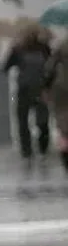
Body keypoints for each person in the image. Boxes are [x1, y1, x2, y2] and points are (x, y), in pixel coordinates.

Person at [3, 25, 52, 165]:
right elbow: (5, 67)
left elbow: (51, 67)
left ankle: (42, 149)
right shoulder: (18, 50)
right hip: (24, 90)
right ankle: (27, 151)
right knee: (23, 121)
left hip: (41, 89)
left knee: (42, 121)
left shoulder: (44, 48)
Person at [48, 38, 68, 171]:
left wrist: (45, 86)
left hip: (62, 87)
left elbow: (49, 68)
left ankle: (65, 152)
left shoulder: (63, 44)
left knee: (63, 123)